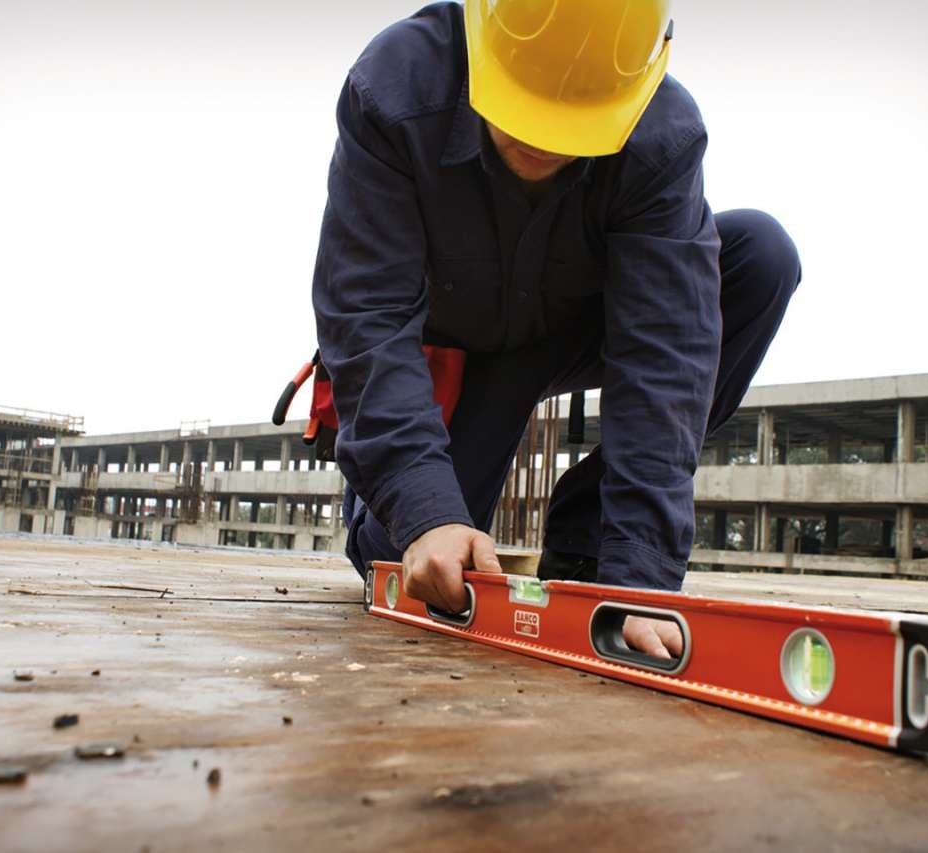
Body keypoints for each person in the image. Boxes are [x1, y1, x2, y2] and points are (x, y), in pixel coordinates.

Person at [311, 1, 800, 658]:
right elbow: (368, 313)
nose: (543, 142)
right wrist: (423, 507)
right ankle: (383, 509)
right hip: (457, 351)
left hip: (570, 328)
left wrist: (640, 574)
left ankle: (588, 538)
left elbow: (667, 353)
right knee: (415, 559)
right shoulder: (398, 87)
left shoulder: (662, 133)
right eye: (524, 112)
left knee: (760, 257)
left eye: (572, 123)